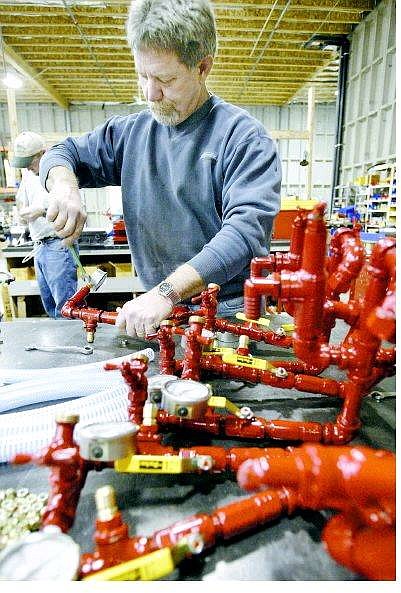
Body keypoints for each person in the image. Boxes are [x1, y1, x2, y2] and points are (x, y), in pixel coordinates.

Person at [39, 0, 281, 338]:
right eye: (142, 75)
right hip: (160, 307)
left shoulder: (243, 138)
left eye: (165, 79)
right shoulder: (131, 133)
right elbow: (64, 153)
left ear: (203, 67)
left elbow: (245, 234)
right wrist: (64, 185)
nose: (150, 93)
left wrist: (166, 292)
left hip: (228, 312)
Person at [12, 131, 78, 318]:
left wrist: (41, 210)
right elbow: (21, 207)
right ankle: (60, 344)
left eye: (30, 163)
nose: (27, 168)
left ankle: (70, 345)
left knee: (65, 309)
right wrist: (23, 214)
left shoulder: (58, 175)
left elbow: (73, 208)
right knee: (50, 306)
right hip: (40, 246)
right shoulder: (28, 176)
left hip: (58, 245)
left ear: (43, 153)